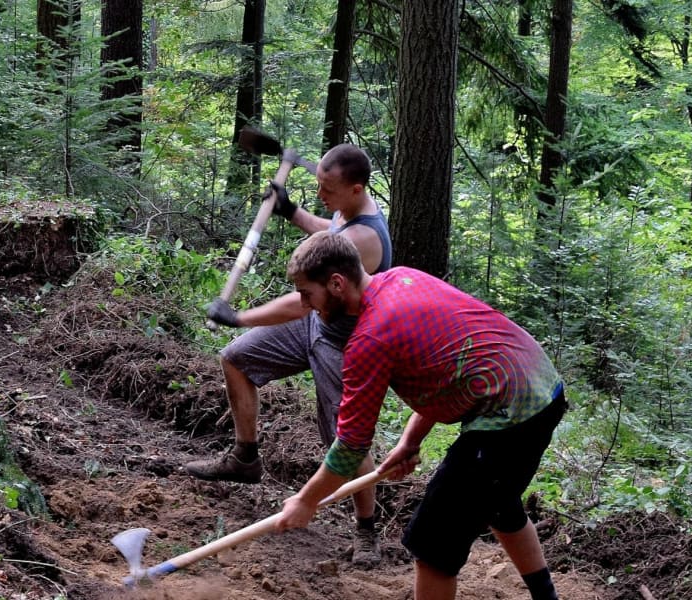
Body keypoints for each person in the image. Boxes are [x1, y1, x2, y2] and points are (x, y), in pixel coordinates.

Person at [275, 231, 565, 600]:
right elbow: (446, 369)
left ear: (336, 283)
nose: (304, 304)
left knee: (432, 544)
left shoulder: (370, 338)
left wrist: (306, 500)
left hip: (512, 414)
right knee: (496, 500)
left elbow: (350, 446)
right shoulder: (402, 278)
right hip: (542, 388)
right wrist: (410, 441)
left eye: (306, 293)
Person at [184, 143, 393, 567]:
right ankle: (245, 458)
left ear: (356, 189)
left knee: (346, 438)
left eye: (328, 189)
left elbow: (303, 301)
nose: (321, 195)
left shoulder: (365, 238)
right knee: (237, 358)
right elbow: (326, 230)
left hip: (345, 342)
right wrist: (290, 210)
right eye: (317, 185)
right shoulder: (347, 212)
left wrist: (240, 316)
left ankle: (366, 529)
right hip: (317, 320)